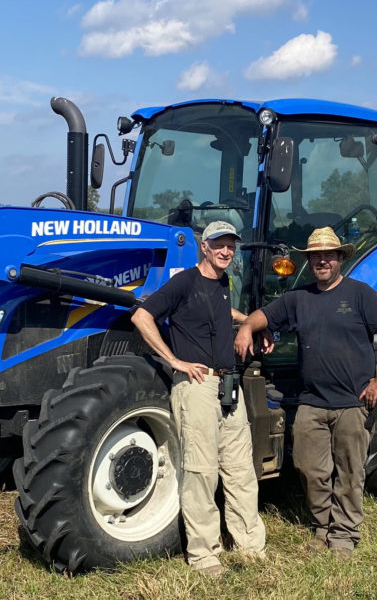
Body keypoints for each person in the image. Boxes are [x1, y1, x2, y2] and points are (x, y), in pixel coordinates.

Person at [235, 226, 377, 559]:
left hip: (352, 400)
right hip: (312, 401)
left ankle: (344, 534)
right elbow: (263, 315)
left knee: (350, 471)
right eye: (315, 256)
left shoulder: (359, 294)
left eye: (328, 255)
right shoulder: (299, 298)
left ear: (340, 258)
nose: (322, 261)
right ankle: (323, 527)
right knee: (310, 470)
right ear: (309, 261)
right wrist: (248, 329)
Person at [131, 220, 266, 577]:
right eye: (219, 244)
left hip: (228, 387)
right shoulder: (184, 282)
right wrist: (173, 361)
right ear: (203, 247)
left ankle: (251, 545)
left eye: (231, 245)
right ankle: (205, 555)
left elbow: (224, 315)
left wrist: (251, 323)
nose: (226, 251)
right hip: (198, 386)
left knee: (240, 471)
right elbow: (142, 316)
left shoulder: (222, 283)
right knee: (201, 473)